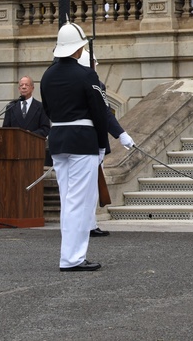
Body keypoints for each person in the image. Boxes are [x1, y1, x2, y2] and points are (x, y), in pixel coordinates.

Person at [40, 22, 109, 272]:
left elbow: (47, 109)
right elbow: (99, 113)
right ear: (77, 49)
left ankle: (68, 255)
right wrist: (102, 144)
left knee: (68, 200)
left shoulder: (47, 75)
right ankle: (73, 258)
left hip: (58, 139)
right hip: (82, 140)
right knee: (79, 202)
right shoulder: (86, 75)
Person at [77, 49, 135, 238]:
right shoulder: (94, 84)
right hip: (89, 142)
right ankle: (86, 225)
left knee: (86, 189)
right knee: (87, 190)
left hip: (78, 143)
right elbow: (104, 114)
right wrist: (120, 134)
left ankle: (89, 222)